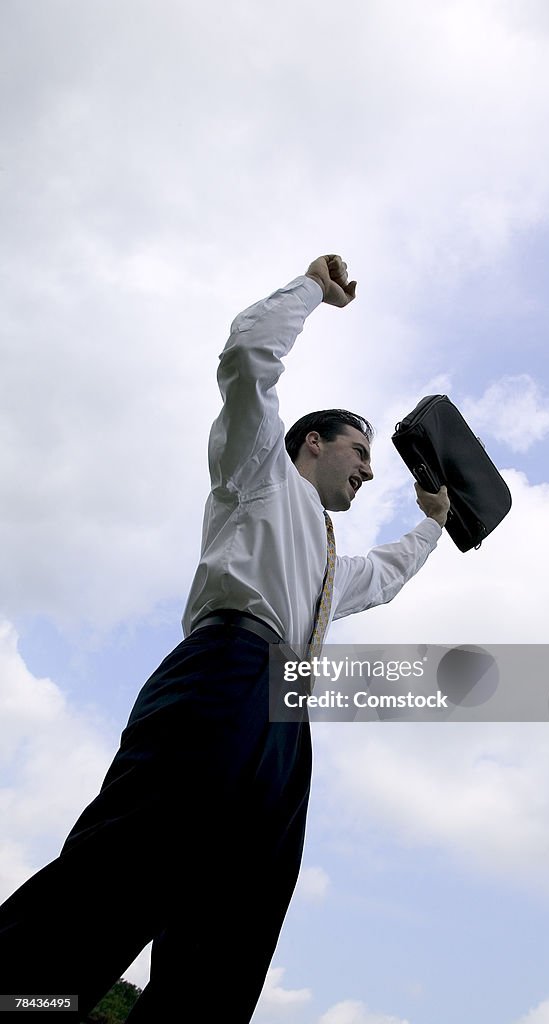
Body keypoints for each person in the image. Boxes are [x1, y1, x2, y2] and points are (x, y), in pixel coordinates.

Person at [0, 254, 449, 1022]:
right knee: (131, 863)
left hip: (287, 714)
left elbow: (390, 573)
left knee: (237, 926)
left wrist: (433, 522)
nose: (368, 472)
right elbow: (247, 355)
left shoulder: (332, 559)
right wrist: (311, 289)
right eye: (358, 452)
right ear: (311, 444)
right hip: (225, 671)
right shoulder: (259, 471)